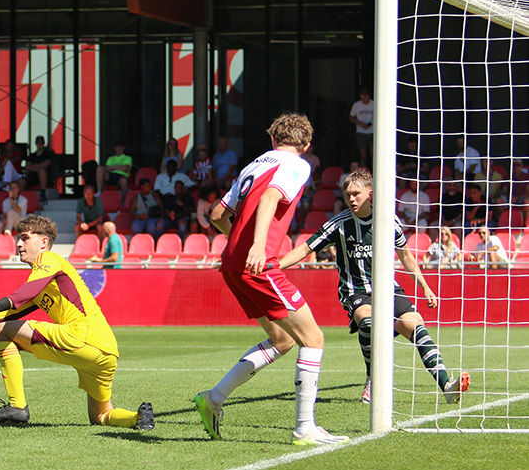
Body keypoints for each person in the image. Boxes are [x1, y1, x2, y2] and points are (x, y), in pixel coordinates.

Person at [0, 214, 153, 430]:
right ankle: (137, 418)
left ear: (43, 242)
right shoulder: (42, 284)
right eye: (18, 239)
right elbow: (5, 316)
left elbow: (20, 298)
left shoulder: (50, 258)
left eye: (24, 238)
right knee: (100, 416)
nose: (19, 244)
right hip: (107, 352)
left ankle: (17, 406)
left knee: (2, 332)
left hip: (81, 337)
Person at [193, 112, 348, 445]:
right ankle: (305, 428)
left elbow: (217, 215)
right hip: (259, 266)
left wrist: (242, 243)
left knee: (282, 340)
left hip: (233, 265)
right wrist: (259, 246)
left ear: (273, 139)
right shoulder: (296, 164)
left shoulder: (254, 165)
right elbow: (269, 198)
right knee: (314, 339)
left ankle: (213, 399)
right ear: (306, 144)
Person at [279, 168, 470, 405]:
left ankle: (447, 386)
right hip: (356, 291)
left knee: (417, 326)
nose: (351, 199)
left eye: (356, 194)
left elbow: (406, 256)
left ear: (370, 194)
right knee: (368, 323)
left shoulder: (388, 221)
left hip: (389, 290)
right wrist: (276, 266)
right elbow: (306, 248)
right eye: (347, 194)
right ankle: (373, 379)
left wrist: (425, 286)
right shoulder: (339, 224)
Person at [21, 135, 54, 201]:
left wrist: (34, 167)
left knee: (42, 171)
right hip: (32, 177)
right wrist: (39, 166)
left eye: (41, 142)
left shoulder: (47, 154)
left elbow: (46, 164)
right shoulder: (32, 155)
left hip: (45, 178)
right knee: (21, 181)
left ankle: (43, 193)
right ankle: (20, 197)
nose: (39, 144)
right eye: (38, 142)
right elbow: (27, 167)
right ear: (36, 143)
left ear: (43, 143)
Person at [349, 87, 374, 168]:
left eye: (365, 97)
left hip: (372, 131)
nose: (363, 99)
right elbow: (351, 117)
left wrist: (370, 124)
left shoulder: (374, 104)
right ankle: (363, 174)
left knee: (374, 154)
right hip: (361, 131)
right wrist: (361, 123)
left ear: (368, 96)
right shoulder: (356, 105)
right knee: (363, 156)